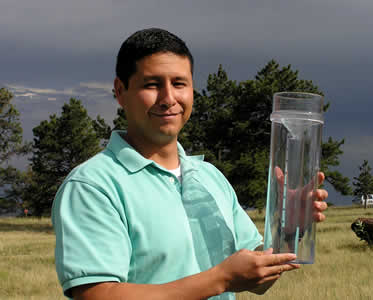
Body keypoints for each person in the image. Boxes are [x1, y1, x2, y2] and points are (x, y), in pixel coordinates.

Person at [51, 28, 328, 300]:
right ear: (120, 91)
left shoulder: (210, 178)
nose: (169, 98)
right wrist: (222, 278)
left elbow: (255, 278)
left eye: (179, 83)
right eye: (152, 84)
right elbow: (98, 295)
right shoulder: (92, 186)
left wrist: (288, 228)